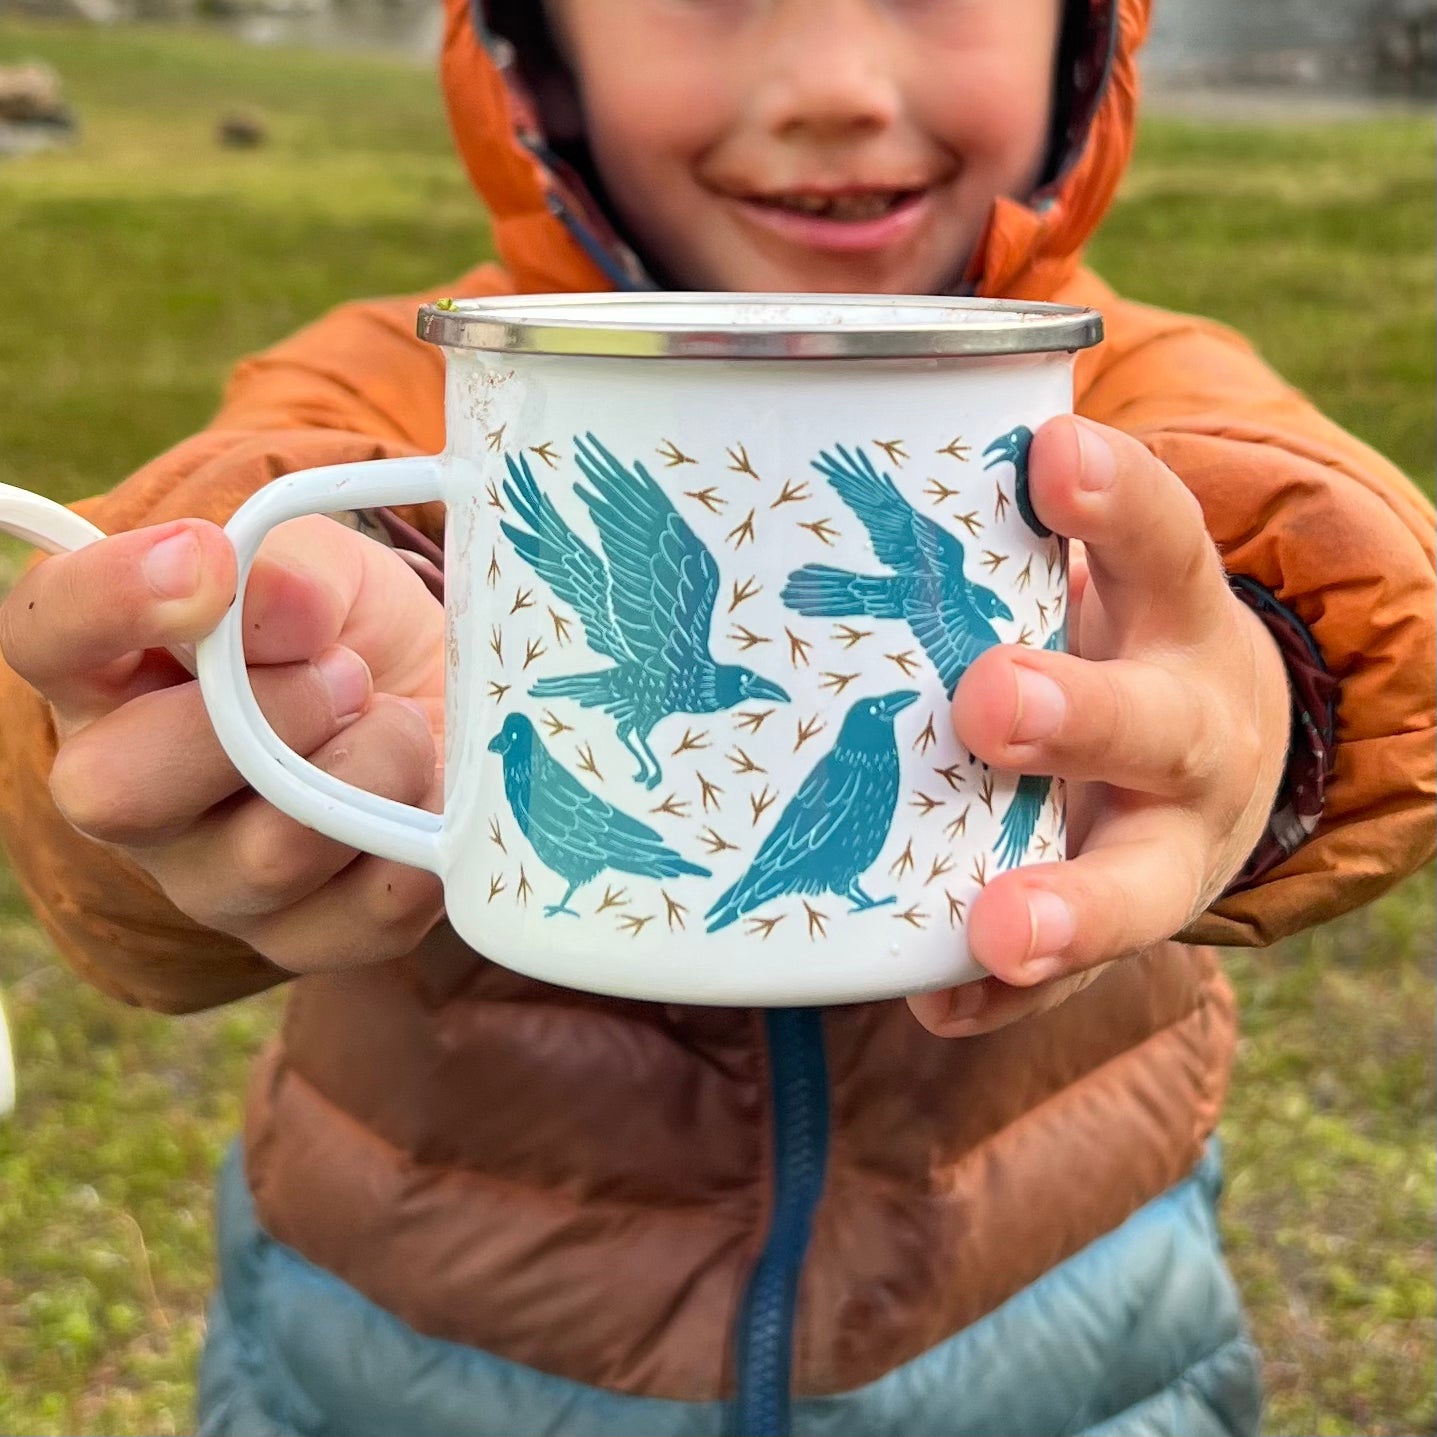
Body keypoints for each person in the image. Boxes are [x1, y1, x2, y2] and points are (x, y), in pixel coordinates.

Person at [0, 1, 1432, 1433]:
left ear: (1076, 34)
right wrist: (216, 687)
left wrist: (1256, 683)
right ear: (536, 42)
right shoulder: (428, 368)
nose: (831, 87)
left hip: (1061, 1325)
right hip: (410, 1346)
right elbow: (249, 489)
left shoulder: (1111, 368)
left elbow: (1325, 538)